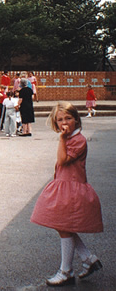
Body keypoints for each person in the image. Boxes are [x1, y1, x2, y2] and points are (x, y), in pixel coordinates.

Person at [30, 102, 103, 286]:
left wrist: (62, 139)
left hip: (72, 190)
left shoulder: (78, 140)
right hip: (65, 188)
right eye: (60, 119)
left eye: (68, 118)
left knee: (63, 227)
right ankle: (88, 258)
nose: (64, 122)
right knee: (63, 227)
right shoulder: (70, 138)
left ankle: (66, 271)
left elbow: (62, 161)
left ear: (76, 120)